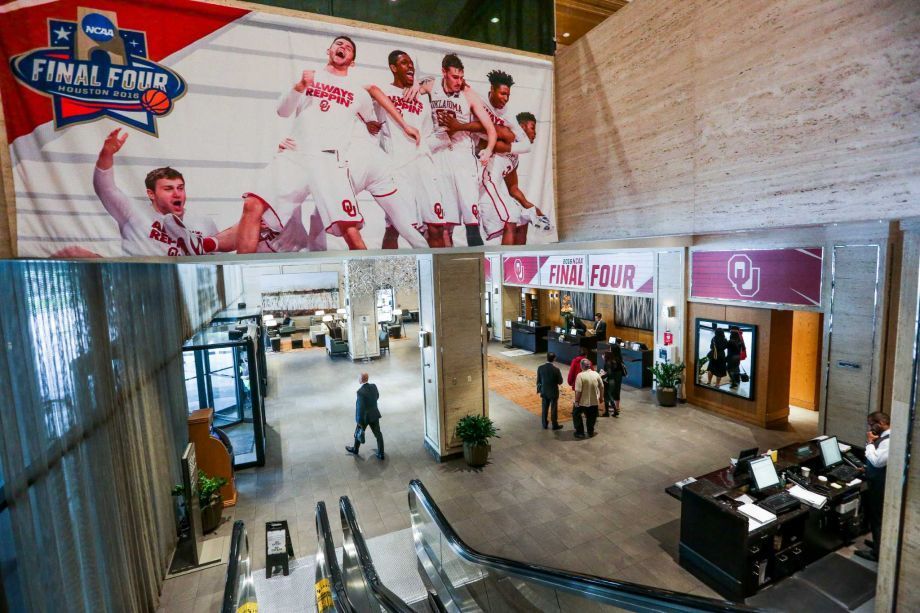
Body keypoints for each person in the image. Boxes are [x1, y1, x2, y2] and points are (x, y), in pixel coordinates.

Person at [232, 35, 421, 253]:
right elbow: (282, 111)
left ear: (352, 61)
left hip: (329, 162)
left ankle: (369, 279)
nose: (343, 47)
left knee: (350, 230)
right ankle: (243, 273)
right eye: (339, 44)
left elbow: (373, 108)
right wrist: (301, 86)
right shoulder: (310, 78)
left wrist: (403, 125)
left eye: (349, 48)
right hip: (297, 155)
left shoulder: (357, 89)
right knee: (252, 206)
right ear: (329, 50)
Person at [92, 128, 220, 256]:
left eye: (180, 188)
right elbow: (105, 189)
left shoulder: (203, 222)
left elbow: (219, 260)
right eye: (168, 189)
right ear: (151, 194)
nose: (177, 193)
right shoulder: (133, 213)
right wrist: (106, 154)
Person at [415, 53, 497, 247]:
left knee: (471, 219)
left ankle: (479, 267)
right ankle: (447, 268)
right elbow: (415, 88)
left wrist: (489, 149)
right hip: (440, 155)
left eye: (461, 77)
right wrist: (413, 87)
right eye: (454, 77)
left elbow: (491, 129)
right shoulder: (432, 86)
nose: (459, 81)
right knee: (444, 223)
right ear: (444, 72)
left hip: (463, 157)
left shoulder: (469, 94)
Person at [855, 411, 890, 562]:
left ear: (881, 423)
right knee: (875, 516)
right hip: (875, 480)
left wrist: (869, 443)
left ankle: (877, 553)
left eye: (872, 424)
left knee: (878, 518)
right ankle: (878, 544)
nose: (870, 428)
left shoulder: (888, 440)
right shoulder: (883, 438)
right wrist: (866, 469)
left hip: (880, 485)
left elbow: (878, 461)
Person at [346, 373, 385, 460]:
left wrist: (359, 421)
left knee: (358, 432)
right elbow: (377, 396)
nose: (358, 379)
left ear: (361, 380)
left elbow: (360, 408)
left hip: (364, 417)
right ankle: (381, 453)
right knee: (378, 434)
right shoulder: (374, 386)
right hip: (374, 414)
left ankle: (355, 449)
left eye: (359, 378)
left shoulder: (360, 392)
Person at [573, 359, 603, 438]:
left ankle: (580, 432)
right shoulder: (596, 374)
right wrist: (601, 398)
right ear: (589, 366)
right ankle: (590, 432)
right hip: (594, 401)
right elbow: (602, 387)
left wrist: (576, 401)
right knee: (591, 417)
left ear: (581, 366)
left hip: (582, 401)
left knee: (576, 414)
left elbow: (578, 391)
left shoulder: (580, 375)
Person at [536, 352, 564, 430]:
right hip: (553, 392)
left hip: (544, 391)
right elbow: (560, 382)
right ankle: (554, 425)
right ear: (554, 359)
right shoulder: (556, 370)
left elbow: (538, 381)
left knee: (544, 408)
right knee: (554, 409)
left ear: (547, 358)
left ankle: (544, 424)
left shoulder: (540, 368)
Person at [600, 348, 626, 417]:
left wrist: (601, 376)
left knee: (607, 396)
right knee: (611, 395)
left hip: (610, 380)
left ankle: (608, 412)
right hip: (614, 380)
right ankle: (615, 410)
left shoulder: (608, 362)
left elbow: (609, 373)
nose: (609, 350)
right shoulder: (616, 360)